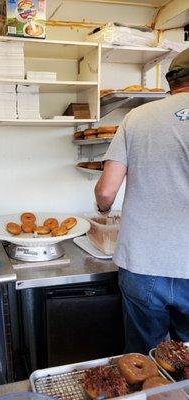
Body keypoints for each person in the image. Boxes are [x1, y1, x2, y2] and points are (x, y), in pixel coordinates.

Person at [94, 48, 189, 354]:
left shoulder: (137, 118)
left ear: (171, 82)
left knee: (145, 364)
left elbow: (106, 191)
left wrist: (103, 209)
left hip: (143, 264)